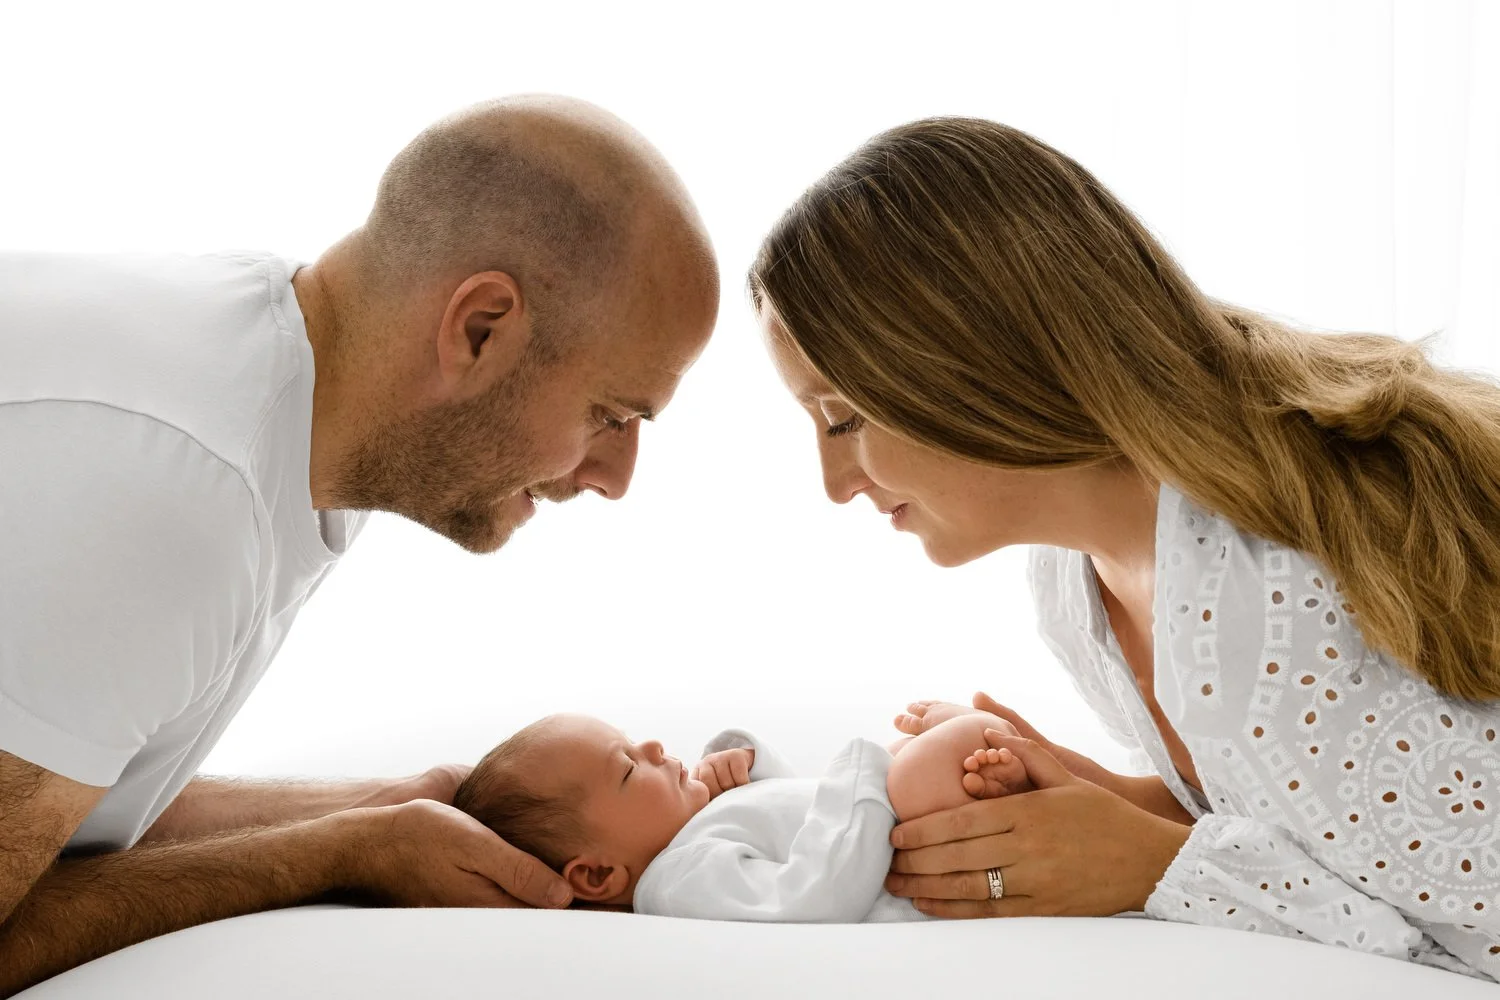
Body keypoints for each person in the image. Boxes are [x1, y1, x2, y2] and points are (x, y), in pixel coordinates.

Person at [749, 116, 1500, 981]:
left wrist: (1157, 867)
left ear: (971, 363)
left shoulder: (1268, 611)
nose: (834, 482)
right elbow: (1332, 829)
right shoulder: (1074, 581)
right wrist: (1109, 803)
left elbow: (1459, 944)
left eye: (843, 417)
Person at [0, 94, 718, 995]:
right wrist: (338, 853)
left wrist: (387, 804)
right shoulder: (175, 494)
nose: (616, 477)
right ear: (480, 328)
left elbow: (60, 799)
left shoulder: (277, 391)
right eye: (609, 415)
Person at [450, 707, 1029, 920]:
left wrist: (746, 767)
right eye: (628, 769)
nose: (653, 748)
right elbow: (813, 891)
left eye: (633, 741)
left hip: (890, 822)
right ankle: (996, 783)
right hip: (906, 865)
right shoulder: (680, 877)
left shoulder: (697, 829)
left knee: (930, 750)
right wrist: (862, 770)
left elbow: (795, 807)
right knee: (936, 752)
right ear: (598, 876)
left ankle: (996, 781)